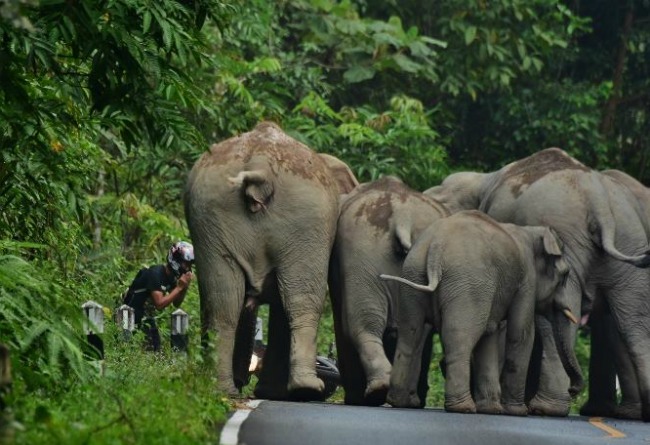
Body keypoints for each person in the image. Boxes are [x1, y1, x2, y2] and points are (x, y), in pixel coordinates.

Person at [122, 241, 195, 352]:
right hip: (129, 316)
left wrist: (184, 287)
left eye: (190, 265)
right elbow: (159, 304)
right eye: (186, 264)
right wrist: (179, 288)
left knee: (155, 351)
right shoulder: (155, 274)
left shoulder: (171, 277)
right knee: (126, 351)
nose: (188, 268)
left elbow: (176, 303)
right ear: (176, 261)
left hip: (145, 317)